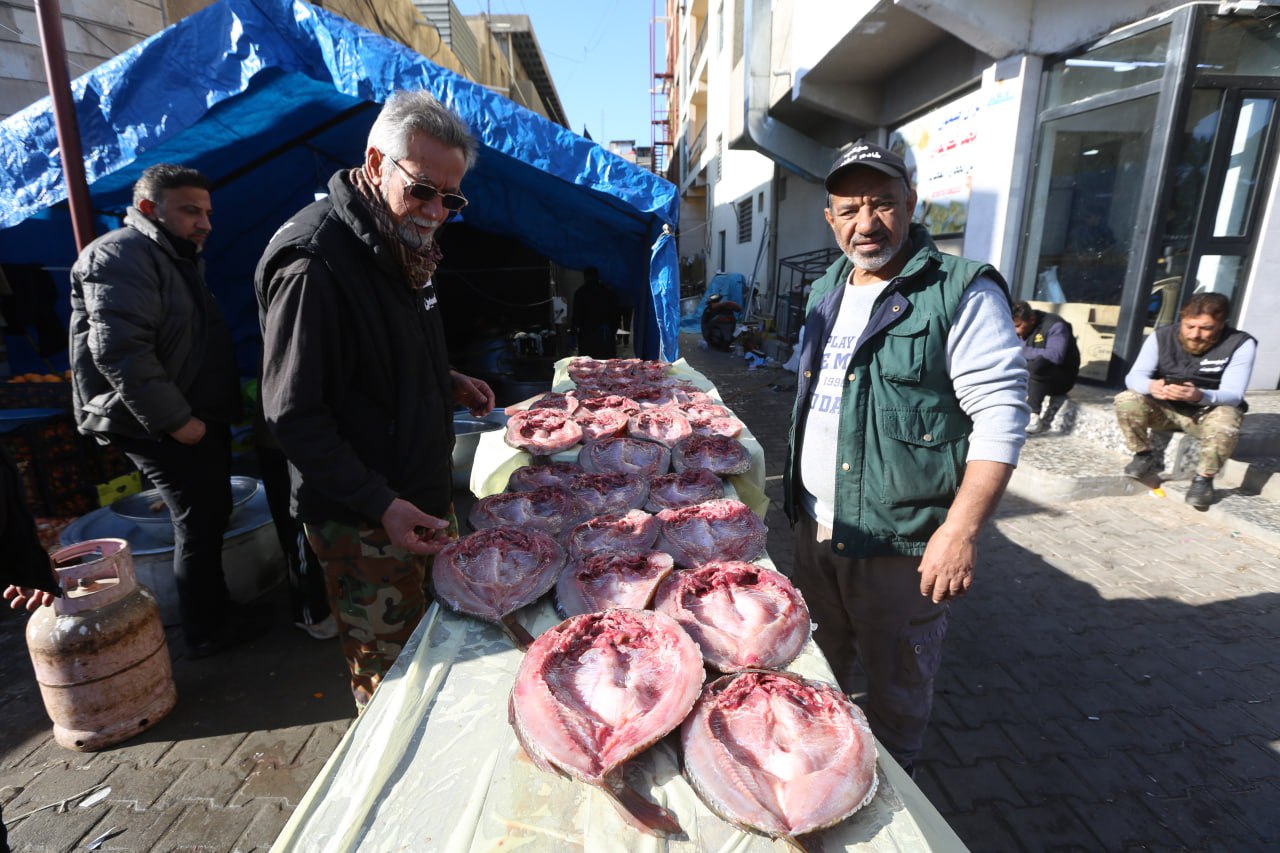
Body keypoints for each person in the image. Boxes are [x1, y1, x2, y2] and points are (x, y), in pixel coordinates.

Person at [784, 140, 1028, 775]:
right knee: (817, 671)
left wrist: (961, 530)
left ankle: (898, 805)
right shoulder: (826, 289)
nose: (867, 223)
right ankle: (823, 782)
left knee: (895, 691)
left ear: (911, 203)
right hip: (817, 529)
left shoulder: (959, 290)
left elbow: (1001, 414)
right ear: (830, 218)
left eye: (883, 204)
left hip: (900, 546)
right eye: (849, 210)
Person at [255, 90, 495, 711]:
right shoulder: (314, 263)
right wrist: (379, 503)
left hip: (417, 491)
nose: (435, 211)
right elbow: (293, 414)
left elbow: (375, 350)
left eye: (451, 199)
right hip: (362, 518)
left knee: (439, 645)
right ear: (375, 162)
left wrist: (444, 377)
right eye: (422, 190)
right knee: (393, 683)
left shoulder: (403, 244)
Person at [68, 163, 259, 659]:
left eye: (208, 213)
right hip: (157, 423)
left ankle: (217, 610)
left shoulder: (173, 256)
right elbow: (120, 351)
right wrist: (176, 420)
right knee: (197, 520)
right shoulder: (119, 254)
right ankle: (205, 629)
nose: (205, 224)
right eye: (191, 211)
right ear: (149, 208)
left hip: (193, 413)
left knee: (211, 513)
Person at [1114, 292, 1256, 509]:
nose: (1195, 334)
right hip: (1164, 410)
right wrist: (1151, 386)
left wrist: (1200, 395)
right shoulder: (1161, 337)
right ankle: (1143, 454)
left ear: (1221, 324)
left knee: (1227, 417)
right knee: (1126, 399)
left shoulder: (1240, 343)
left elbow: (1234, 394)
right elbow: (1134, 377)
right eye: (1189, 326)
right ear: (1182, 319)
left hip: (1205, 414)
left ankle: (1203, 479)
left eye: (1206, 328)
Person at [1011, 300, 1081, 434]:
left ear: (1032, 320)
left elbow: (1055, 355)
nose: (1016, 331)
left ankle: (1033, 416)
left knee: (1039, 363)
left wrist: (1020, 350)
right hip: (1029, 378)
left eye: (1018, 326)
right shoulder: (1020, 330)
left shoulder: (1055, 325)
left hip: (1059, 379)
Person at [570, 266, 621, 358]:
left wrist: (573, 330)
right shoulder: (608, 292)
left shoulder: (580, 292)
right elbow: (616, 314)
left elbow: (576, 315)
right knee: (606, 362)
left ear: (585, 277)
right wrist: (613, 330)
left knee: (588, 363)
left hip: (587, 336)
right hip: (605, 336)